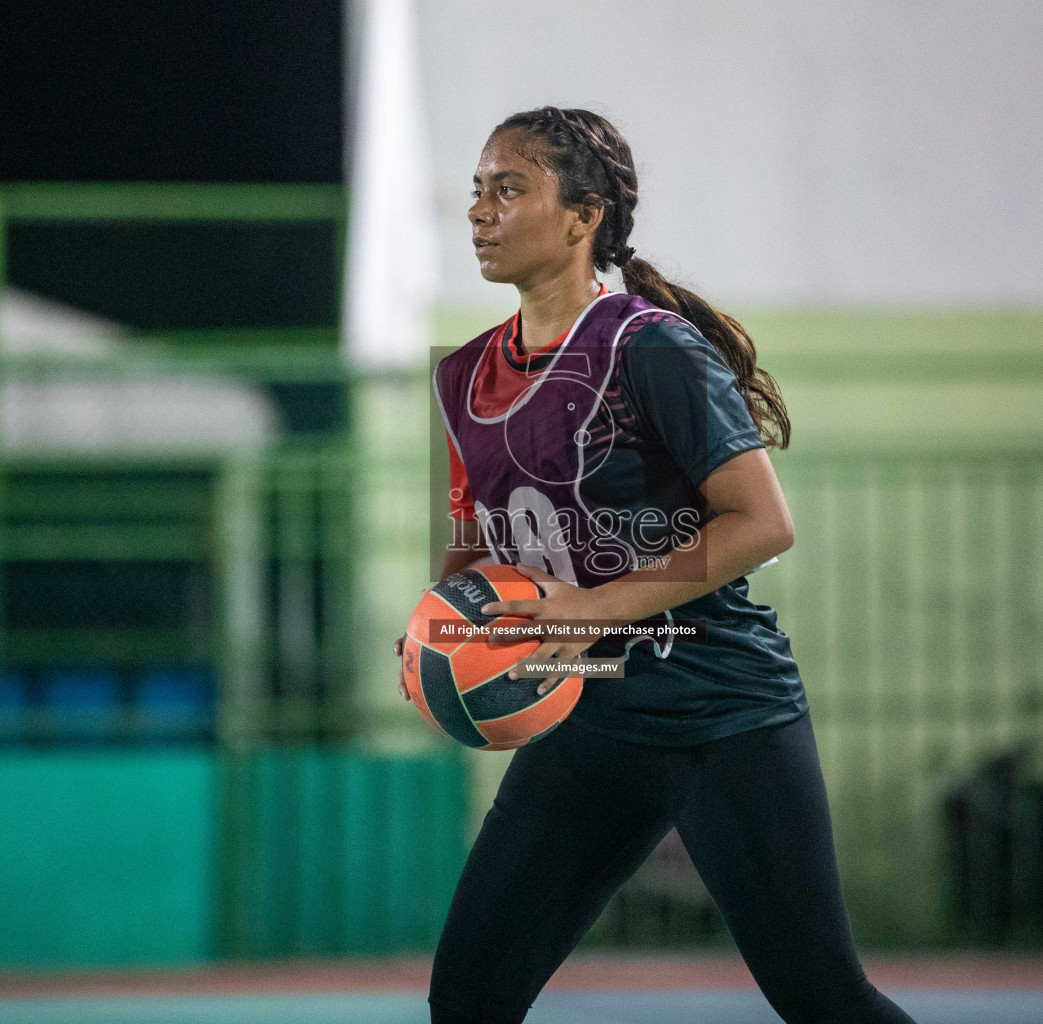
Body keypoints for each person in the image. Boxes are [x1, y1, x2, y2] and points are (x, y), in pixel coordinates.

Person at [394, 106, 917, 1024]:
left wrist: (590, 610)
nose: (480, 211)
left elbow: (761, 522)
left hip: (717, 713)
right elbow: (477, 559)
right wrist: (444, 640)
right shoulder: (461, 376)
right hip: (583, 727)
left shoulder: (652, 348)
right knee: (469, 999)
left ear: (582, 214)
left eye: (509, 189)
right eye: (476, 190)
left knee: (825, 999)